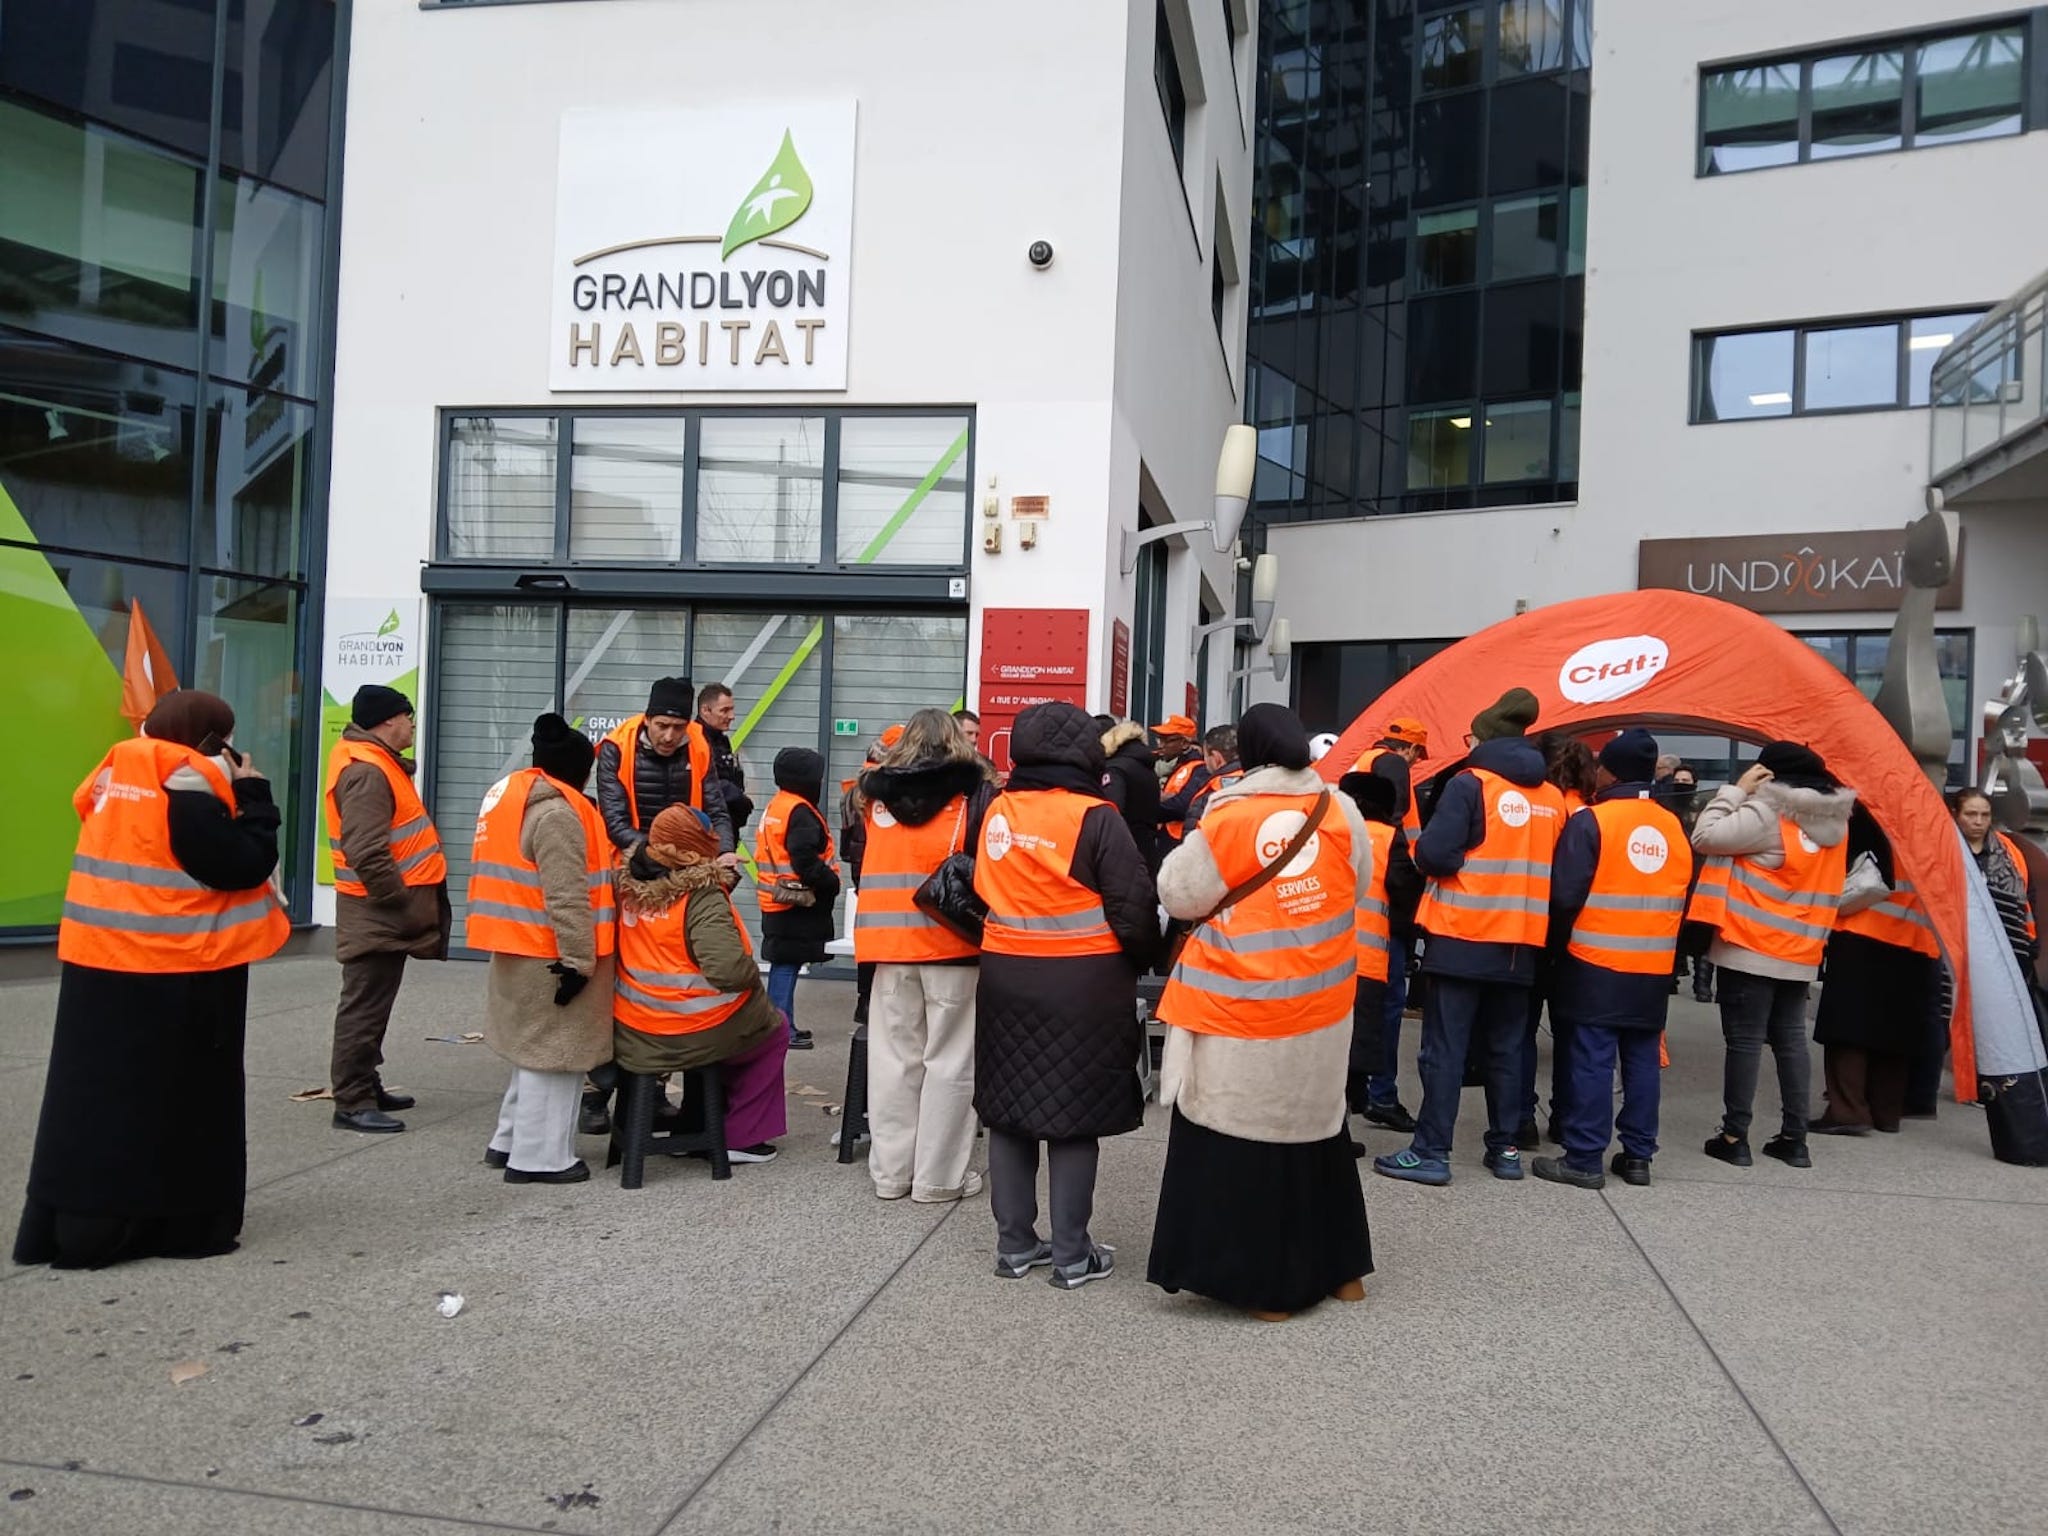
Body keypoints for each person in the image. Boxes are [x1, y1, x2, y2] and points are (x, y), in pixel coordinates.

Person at [14, 691, 289, 1269]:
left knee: (92, 1102)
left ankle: (68, 1225)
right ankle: (174, 1225)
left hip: (99, 963)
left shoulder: (115, 774)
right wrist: (255, 795)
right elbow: (239, 863)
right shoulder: (186, 782)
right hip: (178, 969)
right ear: (212, 739)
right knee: (177, 1105)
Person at [1150, 704, 1374, 1319]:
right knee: (1317, 1131)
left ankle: (1267, 1288)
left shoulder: (1229, 813)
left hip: (1241, 1008)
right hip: (1323, 1004)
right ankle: (1344, 1271)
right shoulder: (1339, 809)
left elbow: (1180, 893)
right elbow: (1355, 887)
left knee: (1244, 1140)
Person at [973, 702, 1156, 1286]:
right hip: (1085, 983)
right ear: (1086, 753)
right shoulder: (1096, 816)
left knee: (1009, 1112)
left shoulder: (997, 808)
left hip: (1004, 974)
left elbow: (981, 887)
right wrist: (1145, 955)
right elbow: (1132, 908)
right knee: (1074, 1118)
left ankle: (1015, 1247)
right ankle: (1074, 1255)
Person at [1375, 687, 1565, 1186]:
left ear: (1483, 738)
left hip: (1463, 937)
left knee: (1445, 1049)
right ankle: (1504, 1151)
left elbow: (1434, 855)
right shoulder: (1552, 798)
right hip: (1521, 945)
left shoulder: (1471, 785)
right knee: (1507, 1049)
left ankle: (1432, 1151)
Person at [1531, 729, 1692, 1189]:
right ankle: (1638, 1156)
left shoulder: (1593, 821)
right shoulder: (1672, 827)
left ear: (1611, 771)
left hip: (1595, 962)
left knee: (1592, 1059)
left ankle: (1583, 1158)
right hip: (1653, 967)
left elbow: (1563, 895)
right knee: (1641, 1058)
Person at [1690, 741, 1854, 1169]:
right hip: (1800, 949)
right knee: (1790, 1041)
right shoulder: (1836, 823)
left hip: (1751, 945)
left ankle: (1734, 1136)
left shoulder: (1767, 813)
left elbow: (1705, 836)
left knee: (1744, 1042)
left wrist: (1735, 789)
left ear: (1769, 773)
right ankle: (1794, 1139)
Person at [856, 709, 998, 1202]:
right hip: (952, 946)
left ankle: (891, 1174)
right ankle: (939, 1178)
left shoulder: (870, 799)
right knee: (951, 1064)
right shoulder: (973, 797)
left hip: (887, 948)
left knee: (893, 1063)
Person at [468, 715, 617, 1185]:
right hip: (553, 955)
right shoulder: (559, 815)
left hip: (518, 947)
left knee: (530, 1053)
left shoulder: (513, 802)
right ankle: (540, 1158)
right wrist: (578, 961)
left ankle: (507, 1140)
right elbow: (567, 897)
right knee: (556, 1058)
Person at [613, 805, 789, 1162]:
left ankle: (692, 1124)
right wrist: (751, 974)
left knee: (724, 1029)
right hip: (689, 1028)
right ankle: (741, 1136)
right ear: (697, 848)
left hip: (633, 1028)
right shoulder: (701, 895)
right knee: (774, 1031)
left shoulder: (627, 885)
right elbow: (727, 970)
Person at [325, 683, 450, 1134]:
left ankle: (365, 1083)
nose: (413, 723)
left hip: (378, 909)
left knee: (373, 1004)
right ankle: (352, 1101)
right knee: (363, 1006)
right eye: (408, 715)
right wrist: (397, 899)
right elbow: (367, 849)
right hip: (377, 910)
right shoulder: (367, 771)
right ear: (387, 721)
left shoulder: (375, 763)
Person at [1809, 808, 1941, 1137]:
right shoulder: (1928, 824)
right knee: (1896, 1029)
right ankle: (1887, 1112)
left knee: (1846, 1027)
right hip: (1914, 937)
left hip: (1862, 929)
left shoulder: (1865, 816)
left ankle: (1848, 1110)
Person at [1518, 732, 1600, 1146]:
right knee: (1571, 1036)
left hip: (1533, 931)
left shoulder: (1542, 808)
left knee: (1522, 1031)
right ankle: (1566, 1117)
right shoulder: (1593, 816)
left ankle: (1521, 1117)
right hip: (1579, 939)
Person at [1336, 768, 1423, 1150]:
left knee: (1328, 1044)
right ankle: (1364, 1107)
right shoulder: (1388, 838)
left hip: (1319, 957)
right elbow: (1406, 894)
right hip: (1369, 960)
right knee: (1360, 1045)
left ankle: (1328, 1127)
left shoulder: (1325, 832)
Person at [1350, 718, 1429, 1130]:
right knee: (1386, 1009)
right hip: (1382, 919)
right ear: (1410, 750)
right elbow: (1398, 822)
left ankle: (1356, 1092)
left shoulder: (1361, 762)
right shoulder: (1393, 767)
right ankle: (1381, 1094)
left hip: (1346, 927)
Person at [756, 747, 842, 1051]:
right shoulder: (801, 811)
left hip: (778, 899)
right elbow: (804, 858)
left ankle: (783, 1024)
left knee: (785, 961)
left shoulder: (777, 805)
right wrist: (830, 882)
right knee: (786, 964)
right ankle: (780, 1029)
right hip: (797, 901)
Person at [595, 675, 735, 858]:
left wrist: (725, 851)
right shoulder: (617, 747)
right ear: (647, 720)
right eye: (662, 725)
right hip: (631, 861)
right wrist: (664, 855)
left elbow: (716, 810)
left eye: (678, 728)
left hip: (685, 861)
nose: (669, 736)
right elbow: (615, 823)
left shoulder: (698, 743)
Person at [842, 724, 904, 1031]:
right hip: (884, 874)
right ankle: (872, 1003)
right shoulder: (887, 789)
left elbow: (846, 844)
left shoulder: (856, 786)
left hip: (864, 877)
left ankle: (864, 1001)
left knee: (868, 941)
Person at [1098, 717, 1164, 875]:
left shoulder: (1116, 769)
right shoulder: (1145, 768)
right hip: (1147, 849)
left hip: (1123, 854)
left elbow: (1112, 812)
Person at [1353, 717, 1429, 836]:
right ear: (1413, 749)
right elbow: (1393, 816)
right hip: (1383, 847)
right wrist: (1398, 849)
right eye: (1418, 755)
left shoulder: (1366, 758)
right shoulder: (1393, 763)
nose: (1415, 761)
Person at [695, 682, 754, 832]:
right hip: (706, 828)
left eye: (732, 710)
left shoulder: (721, 741)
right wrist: (737, 797)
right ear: (705, 710)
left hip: (726, 826)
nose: (731, 716)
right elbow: (702, 784)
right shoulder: (694, 741)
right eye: (724, 710)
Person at [1152, 714, 1208, 856]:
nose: (1160, 745)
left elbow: (1182, 806)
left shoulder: (1199, 770)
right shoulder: (1179, 766)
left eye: (1166, 740)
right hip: (1168, 840)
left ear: (1184, 743)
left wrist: (1150, 805)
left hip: (1179, 843)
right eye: (1159, 739)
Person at [1184, 724, 1241, 825]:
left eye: (1205, 756)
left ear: (1216, 758)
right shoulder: (1261, 786)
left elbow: (1194, 835)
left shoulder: (1211, 795)